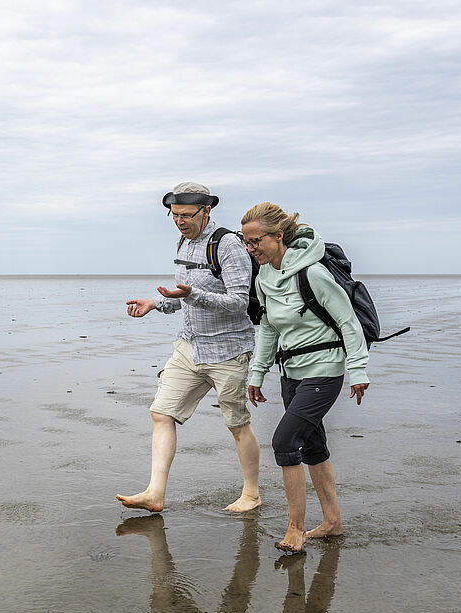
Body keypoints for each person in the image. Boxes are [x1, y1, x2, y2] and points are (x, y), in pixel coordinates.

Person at [116, 182, 261, 513]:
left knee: (237, 425)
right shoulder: (183, 244)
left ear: (206, 210)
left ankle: (251, 494)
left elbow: (239, 303)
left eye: (185, 215)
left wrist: (192, 294)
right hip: (190, 346)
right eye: (174, 215)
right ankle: (155, 493)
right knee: (161, 412)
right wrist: (155, 303)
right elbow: (183, 298)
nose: (179, 221)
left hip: (228, 350)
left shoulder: (227, 246)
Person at [241, 202, 369, 553]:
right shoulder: (265, 277)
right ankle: (332, 523)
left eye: (256, 242)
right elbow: (267, 328)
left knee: (285, 441)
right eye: (246, 242)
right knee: (313, 446)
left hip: (326, 370)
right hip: (291, 373)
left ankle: (295, 528)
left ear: (278, 236)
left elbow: (348, 323)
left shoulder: (313, 274)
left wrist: (358, 369)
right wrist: (258, 372)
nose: (251, 249)